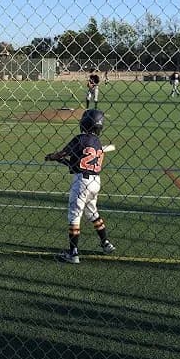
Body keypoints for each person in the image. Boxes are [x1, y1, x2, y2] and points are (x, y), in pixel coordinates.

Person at [44, 109, 116, 264]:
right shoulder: (97, 143)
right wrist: (59, 160)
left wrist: (53, 156)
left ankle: (73, 253)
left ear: (84, 123)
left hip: (81, 182)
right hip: (95, 181)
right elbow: (76, 164)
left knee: (74, 215)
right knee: (92, 213)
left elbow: (63, 154)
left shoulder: (80, 139)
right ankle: (106, 243)